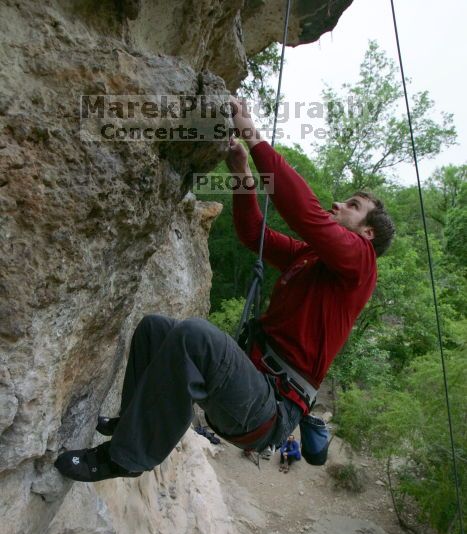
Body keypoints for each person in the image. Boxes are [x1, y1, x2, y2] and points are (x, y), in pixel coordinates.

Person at [55, 97, 395, 482]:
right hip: (250, 387)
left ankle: (126, 459)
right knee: (154, 329)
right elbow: (254, 235)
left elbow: (305, 213)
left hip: (269, 409)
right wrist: (241, 174)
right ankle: (133, 423)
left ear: (367, 233)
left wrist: (250, 131)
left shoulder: (361, 263)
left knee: (194, 335)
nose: (338, 203)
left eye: (351, 205)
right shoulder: (311, 258)